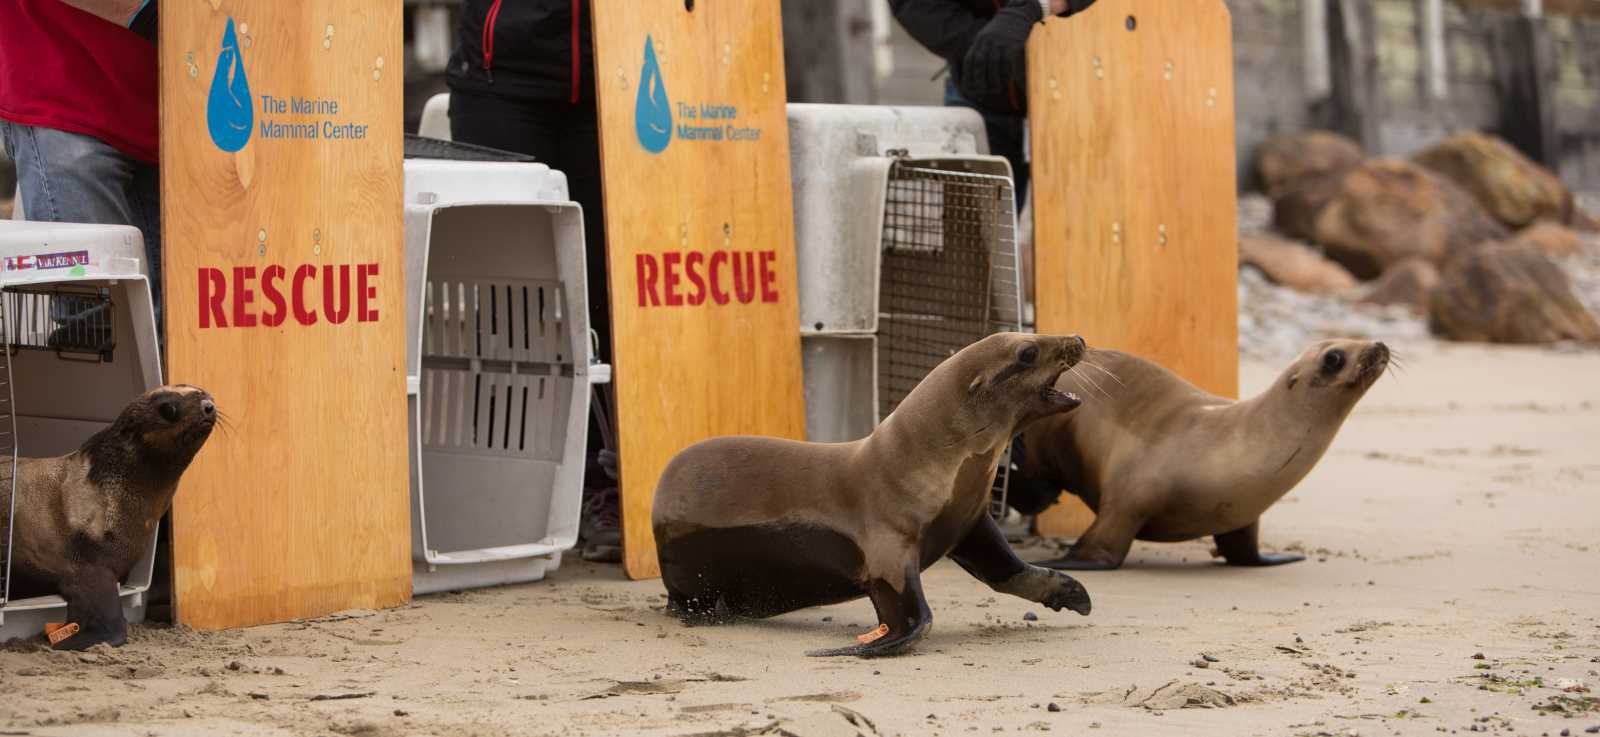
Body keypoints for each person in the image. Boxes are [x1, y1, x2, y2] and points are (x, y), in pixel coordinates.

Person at [444, 0, 622, 562]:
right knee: (506, 301)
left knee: (611, 298)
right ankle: (499, 495)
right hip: (504, 82)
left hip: (625, 69)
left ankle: (608, 487)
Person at [0, 0, 162, 310]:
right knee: (98, 325)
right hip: (63, 87)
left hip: (170, 98)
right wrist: (147, 13)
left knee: (187, 329)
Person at [888, 0, 1093, 211]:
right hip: (981, 95)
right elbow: (912, 5)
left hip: (1085, 88)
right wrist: (985, 45)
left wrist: (1034, 6)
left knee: (1089, 224)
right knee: (978, 232)